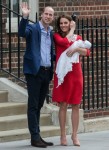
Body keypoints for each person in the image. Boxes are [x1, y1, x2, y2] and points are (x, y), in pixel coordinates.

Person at [18, 2, 54, 148]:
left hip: (46, 72)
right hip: (34, 72)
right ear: (42, 14)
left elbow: (51, 52)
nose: (48, 16)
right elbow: (21, 33)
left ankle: (37, 135)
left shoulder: (50, 32)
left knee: (39, 105)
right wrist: (25, 17)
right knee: (33, 105)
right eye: (46, 13)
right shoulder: (33, 28)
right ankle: (35, 137)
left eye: (51, 14)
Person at [52, 15, 91, 147]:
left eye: (66, 23)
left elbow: (87, 52)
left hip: (75, 74)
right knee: (63, 105)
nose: (63, 25)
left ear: (70, 23)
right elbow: (64, 43)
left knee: (75, 105)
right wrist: (72, 30)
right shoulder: (57, 36)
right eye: (61, 23)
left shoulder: (77, 38)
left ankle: (74, 135)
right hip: (63, 75)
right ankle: (63, 135)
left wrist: (76, 49)